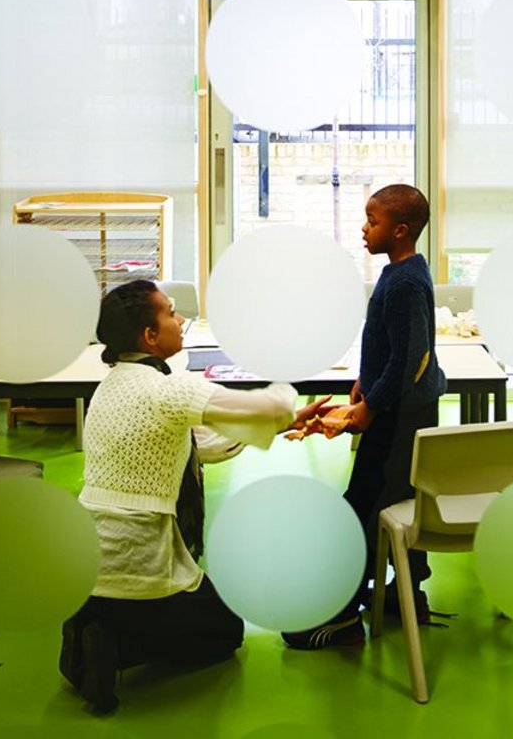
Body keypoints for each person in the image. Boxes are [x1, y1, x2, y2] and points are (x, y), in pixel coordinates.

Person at [59, 279, 322, 711]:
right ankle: (116, 646)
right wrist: (288, 401)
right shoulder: (169, 388)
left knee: (128, 602)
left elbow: (202, 442)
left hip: (89, 551)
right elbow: (264, 409)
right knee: (224, 632)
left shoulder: (109, 387)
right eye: (170, 313)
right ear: (149, 336)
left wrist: (288, 422)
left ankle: (91, 626)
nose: (181, 320)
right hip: (140, 551)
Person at [282, 184, 446, 650]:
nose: (363, 228)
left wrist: (371, 407)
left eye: (371, 221)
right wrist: (363, 382)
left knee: (364, 507)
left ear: (399, 231)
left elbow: (410, 358)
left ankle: (342, 616)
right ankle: (405, 595)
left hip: (398, 418)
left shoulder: (408, 282)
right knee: (389, 499)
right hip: (394, 407)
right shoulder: (400, 274)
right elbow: (390, 346)